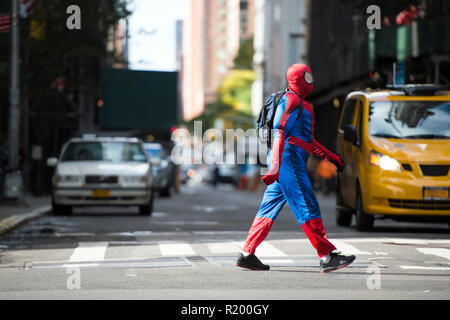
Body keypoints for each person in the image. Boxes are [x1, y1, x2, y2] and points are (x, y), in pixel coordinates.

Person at [235, 63, 355, 273]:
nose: (310, 80)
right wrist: (275, 166)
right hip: (288, 162)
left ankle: (247, 254)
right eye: (306, 76)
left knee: (268, 210)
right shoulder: (292, 100)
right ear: (298, 79)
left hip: (286, 162)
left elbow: (307, 141)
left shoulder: (300, 103)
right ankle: (326, 256)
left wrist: (331, 157)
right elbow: (280, 132)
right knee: (307, 204)